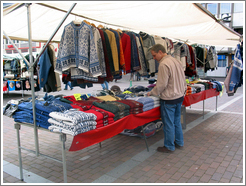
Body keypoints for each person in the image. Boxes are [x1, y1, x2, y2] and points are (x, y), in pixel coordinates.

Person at [147, 44, 186, 153]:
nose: (154, 58)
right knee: (177, 122)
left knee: (169, 124)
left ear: (160, 52)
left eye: (154, 56)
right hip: (179, 96)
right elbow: (183, 80)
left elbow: (161, 85)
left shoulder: (164, 64)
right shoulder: (176, 61)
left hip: (169, 99)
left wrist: (152, 93)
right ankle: (179, 142)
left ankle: (169, 146)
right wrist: (182, 92)